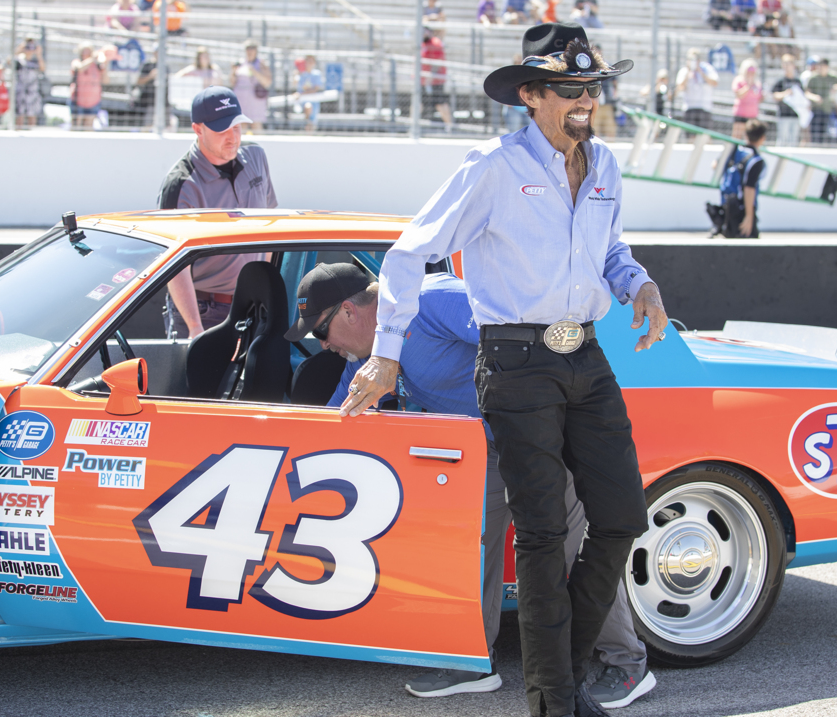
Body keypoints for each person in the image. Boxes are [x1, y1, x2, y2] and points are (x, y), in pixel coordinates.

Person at [342, 23, 669, 717]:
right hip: (515, 360)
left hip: (585, 350)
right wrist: (386, 352)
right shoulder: (492, 165)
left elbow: (609, 249)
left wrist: (638, 282)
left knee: (620, 516)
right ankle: (555, 701)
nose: (585, 100)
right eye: (569, 89)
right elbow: (408, 255)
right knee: (545, 533)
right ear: (531, 95)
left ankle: (561, 671)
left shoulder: (604, 161)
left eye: (592, 87)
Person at [285, 264, 657, 710]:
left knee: (567, 552)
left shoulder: (433, 301)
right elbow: (337, 419)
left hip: (550, 444)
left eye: (321, 332)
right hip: (492, 449)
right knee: (469, 544)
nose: (323, 346)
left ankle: (629, 663)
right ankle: (475, 660)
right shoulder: (371, 356)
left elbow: (526, 339)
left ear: (349, 311)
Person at [158, 87, 277, 339]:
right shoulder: (181, 184)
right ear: (198, 129)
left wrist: (264, 295)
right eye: (222, 129)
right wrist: (194, 327)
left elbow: (271, 226)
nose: (232, 137)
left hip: (253, 307)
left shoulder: (256, 157)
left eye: (236, 127)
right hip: (203, 312)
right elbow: (173, 265)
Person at [713, 119, 766, 237]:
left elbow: (715, 165)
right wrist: (749, 216)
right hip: (741, 208)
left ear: (745, 135)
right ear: (762, 138)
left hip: (725, 204)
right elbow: (749, 188)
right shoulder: (756, 160)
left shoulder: (734, 150)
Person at [230, 39, 271, 133]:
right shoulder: (239, 63)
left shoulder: (261, 64)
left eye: (252, 48)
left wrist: (254, 71)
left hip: (256, 100)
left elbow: (267, 82)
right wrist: (233, 71)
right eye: (248, 48)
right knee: (241, 125)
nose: (250, 51)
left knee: (256, 126)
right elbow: (233, 82)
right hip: (241, 98)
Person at [770, 54, 810, 146]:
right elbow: (775, 95)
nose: (787, 67)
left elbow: (803, 96)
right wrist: (786, 93)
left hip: (795, 114)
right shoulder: (781, 81)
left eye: (789, 64)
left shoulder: (797, 81)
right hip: (784, 115)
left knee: (793, 141)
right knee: (783, 140)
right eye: (785, 64)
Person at [675, 47, 719, 130]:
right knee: (691, 137)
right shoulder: (684, 71)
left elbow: (715, 82)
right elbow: (680, 87)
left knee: (705, 136)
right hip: (689, 108)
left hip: (705, 108)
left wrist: (700, 72)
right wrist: (688, 73)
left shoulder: (707, 69)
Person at [806, 57, 837, 143]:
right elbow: (807, 93)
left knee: (827, 134)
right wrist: (814, 97)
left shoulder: (833, 77)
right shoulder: (813, 78)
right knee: (815, 134)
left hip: (828, 110)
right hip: (816, 110)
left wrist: (836, 88)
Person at [422, 28, 453, 130]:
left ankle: (449, 126)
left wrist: (431, 76)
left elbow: (437, 62)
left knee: (439, 103)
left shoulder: (435, 43)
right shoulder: (422, 44)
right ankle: (412, 126)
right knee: (418, 102)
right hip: (423, 80)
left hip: (435, 80)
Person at [69, 43, 106, 130]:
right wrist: (93, 58)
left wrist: (103, 58)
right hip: (77, 100)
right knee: (76, 127)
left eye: (88, 51)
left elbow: (105, 79)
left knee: (88, 127)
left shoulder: (97, 65)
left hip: (93, 101)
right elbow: (79, 68)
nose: (86, 53)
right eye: (84, 50)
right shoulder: (77, 62)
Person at [14, 39, 46, 127]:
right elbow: (7, 63)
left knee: (32, 116)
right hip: (20, 92)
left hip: (33, 92)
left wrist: (39, 54)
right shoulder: (18, 60)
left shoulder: (36, 60)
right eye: (27, 46)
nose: (29, 49)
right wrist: (18, 50)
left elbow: (43, 68)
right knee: (20, 116)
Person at [589, 43, 617, 139]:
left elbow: (614, 82)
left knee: (610, 128)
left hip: (606, 103)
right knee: (595, 129)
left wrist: (614, 95)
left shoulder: (607, 65)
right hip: (594, 101)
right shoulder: (589, 67)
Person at [731, 58, 762, 140]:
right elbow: (738, 95)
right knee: (737, 137)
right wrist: (748, 86)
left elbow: (759, 99)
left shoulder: (757, 83)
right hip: (741, 114)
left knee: (751, 138)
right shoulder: (739, 80)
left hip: (752, 115)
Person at [296, 54, 324, 132]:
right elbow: (297, 86)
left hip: (313, 100)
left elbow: (315, 89)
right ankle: (307, 125)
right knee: (307, 108)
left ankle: (310, 127)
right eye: (307, 61)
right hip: (302, 101)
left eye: (311, 61)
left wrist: (302, 94)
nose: (309, 63)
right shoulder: (301, 74)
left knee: (312, 118)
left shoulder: (316, 74)